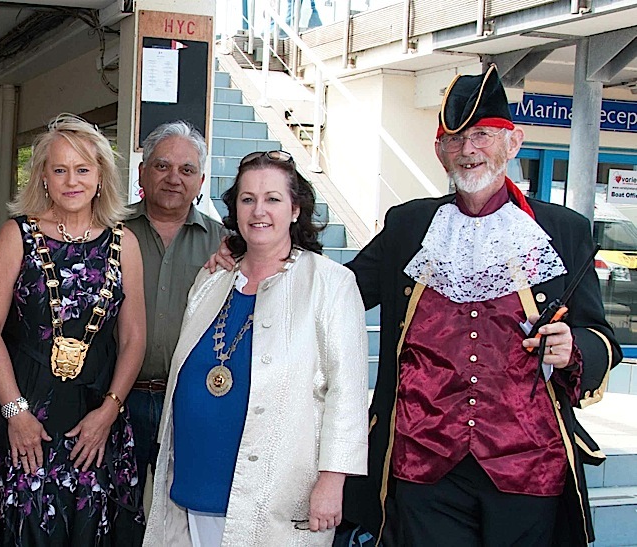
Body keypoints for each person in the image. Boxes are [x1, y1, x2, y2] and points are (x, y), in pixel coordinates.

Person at [341, 65, 622, 546]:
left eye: (482, 135)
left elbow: (601, 340)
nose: (468, 150)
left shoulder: (564, 232)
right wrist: (259, 253)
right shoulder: (408, 228)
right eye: (454, 139)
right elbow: (338, 291)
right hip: (423, 466)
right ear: (438, 151)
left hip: (528, 466)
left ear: (512, 144)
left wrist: (572, 347)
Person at [144, 150, 369, 546]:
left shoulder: (330, 283)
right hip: (196, 479)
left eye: (273, 199)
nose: (258, 210)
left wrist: (333, 479)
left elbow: (347, 391)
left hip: (277, 489)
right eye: (247, 199)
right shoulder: (212, 279)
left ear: (296, 209)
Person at [0, 113, 146, 546]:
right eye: (59, 170)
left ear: (101, 176)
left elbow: (134, 337)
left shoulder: (124, 242)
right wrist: (14, 412)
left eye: (83, 169)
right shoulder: (17, 234)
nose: (71, 181)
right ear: (43, 176)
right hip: (23, 409)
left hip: (94, 414)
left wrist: (110, 411)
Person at [126, 121, 226, 519]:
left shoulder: (226, 245)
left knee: (181, 521)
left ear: (200, 180)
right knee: (114, 517)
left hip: (189, 402)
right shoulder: (111, 233)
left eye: (186, 171)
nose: (173, 179)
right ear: (142, 173)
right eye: (162, 166)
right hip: (118, 402)